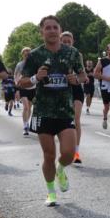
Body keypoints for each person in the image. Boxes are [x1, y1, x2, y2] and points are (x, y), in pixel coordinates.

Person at [16, 16, 85, 207]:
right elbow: (21, 81)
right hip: (43, 112)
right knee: (48, 155)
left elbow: (83, 76)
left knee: (69, 153)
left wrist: (76, 80)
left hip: (65, 111)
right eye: (48, 28)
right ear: (42, 32)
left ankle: (61, 170)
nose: (52, 31)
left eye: (55, 27)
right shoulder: (35, 55)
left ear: (60, 30)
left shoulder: (72, 53)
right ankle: (51, 192)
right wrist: (35, 79)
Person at [60, 31, 87, 164]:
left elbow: (84, 76)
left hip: (75, 88)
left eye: (68, 41)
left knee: (76, 119)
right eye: (63, 41)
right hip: (60, 90)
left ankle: (76, 152)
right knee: (63, 121)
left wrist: (75, 78)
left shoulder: (77, 55)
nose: (66, 44)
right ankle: (65, 150)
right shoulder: (54, 54)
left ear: (72, 42)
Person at [14, 47, 35, 136]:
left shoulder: (34, 64)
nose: (27, 53)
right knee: (26, 107)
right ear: (22, 54)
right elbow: (16, 75)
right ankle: (25, 126)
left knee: (29, 108)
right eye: (25, 52)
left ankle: (27, 122)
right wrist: (17, 85)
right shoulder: (20, 64)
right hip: (22, 87)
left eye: (29, 52)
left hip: (33, 87)